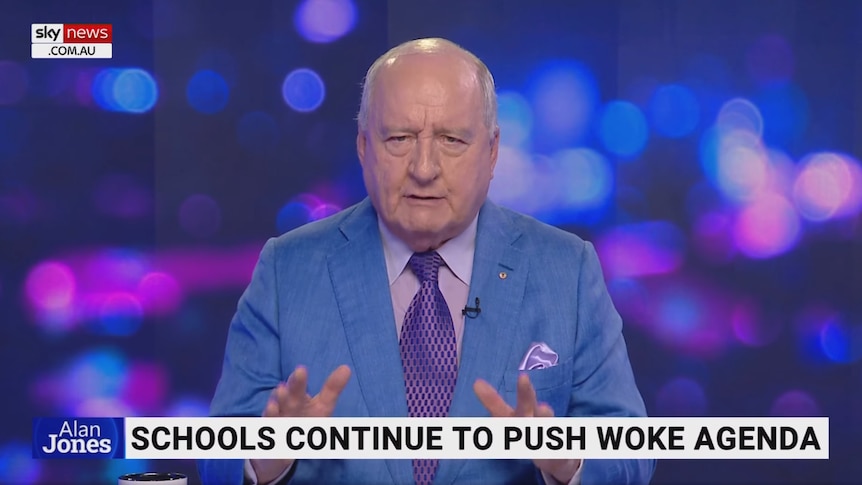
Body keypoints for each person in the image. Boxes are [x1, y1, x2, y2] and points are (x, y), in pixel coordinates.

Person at [198, 37, 654, 485]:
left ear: (492, 152)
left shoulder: (567, 269)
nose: (423, 167)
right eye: (399, 138)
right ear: (363, 147)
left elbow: (630, 455)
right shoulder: (287, 269)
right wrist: (267, 458)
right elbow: (218, 457)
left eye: (452, 140)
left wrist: (570, 461)